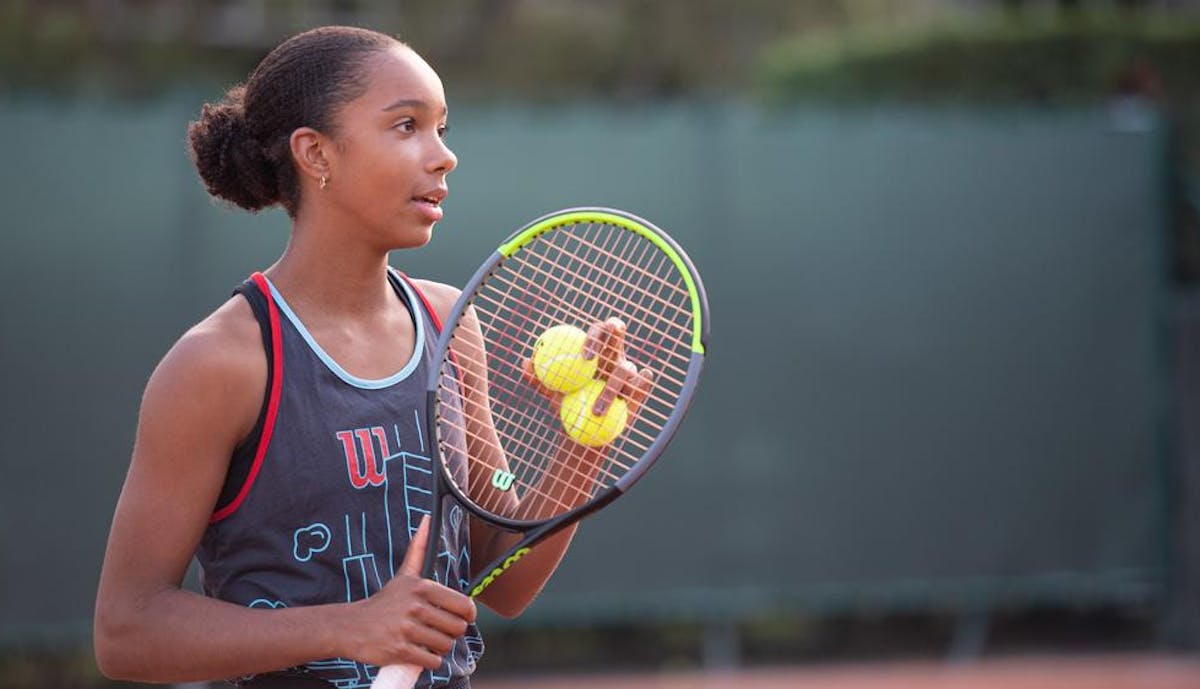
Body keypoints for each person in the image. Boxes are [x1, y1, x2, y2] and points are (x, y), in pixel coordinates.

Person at [93, 25, 649, 689]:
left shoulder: (449, 322)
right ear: (315, 153)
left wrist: (582, 440)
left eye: (443, 127)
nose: (443, 157)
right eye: (407, 126)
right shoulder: (220, 364)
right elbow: (126, 629)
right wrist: (346, 625)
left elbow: (500, 572)